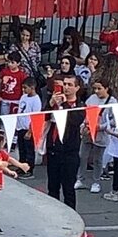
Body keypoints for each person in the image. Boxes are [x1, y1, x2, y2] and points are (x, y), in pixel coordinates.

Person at [46, 75, 86, 209]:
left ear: (77, 88)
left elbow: (75, 120)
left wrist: (63, 104)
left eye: (70, 85)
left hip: (69, 152)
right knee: (52, 188)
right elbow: (43, 118)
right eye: (65, 84)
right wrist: (50, 104)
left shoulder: (80, 106)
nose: (66, 87)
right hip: (53, 150)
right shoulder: (55, 102)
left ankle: (71, 218)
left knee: (68, 189)